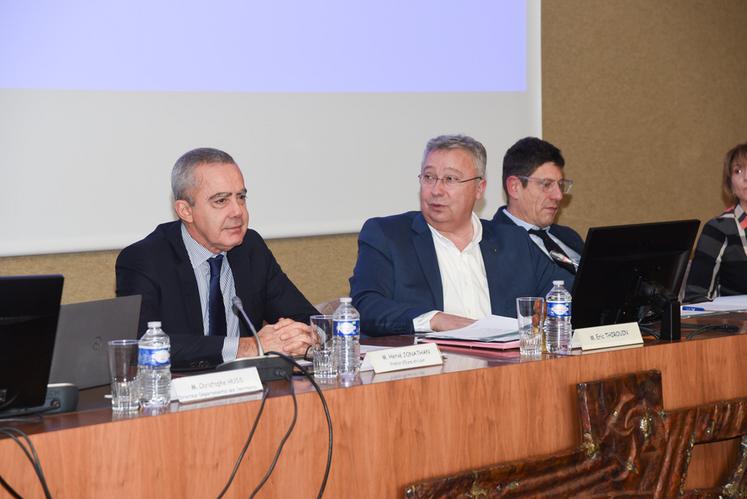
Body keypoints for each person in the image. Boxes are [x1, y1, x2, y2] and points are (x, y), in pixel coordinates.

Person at [116, 148, 318, 368]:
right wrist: (249, 346)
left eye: (241, 197)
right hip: (181, 392)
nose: (237, 212)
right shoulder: (144, 259)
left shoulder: (250, 248)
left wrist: (302, 335)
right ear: (185, 211)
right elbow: (142, 345)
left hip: (250, 390)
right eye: (221, 201)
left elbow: (305, 317)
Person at [350, 134, 568, 336]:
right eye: (429, 177)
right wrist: (435, 319)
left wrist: (546, 311)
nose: (436, 190)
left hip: (507, 369)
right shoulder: (388, 236)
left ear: (479, 188)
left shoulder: (513, 241)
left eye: (450, 179)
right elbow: (366, 305)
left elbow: (563, 292)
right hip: (432, 371)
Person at [493, 137, 583, 279]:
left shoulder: (569, 236)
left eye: (560, 185)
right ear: (514, 187)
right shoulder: (493, 243)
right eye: (547, 184)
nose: (559, 196)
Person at [684, 142, 747, 302]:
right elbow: (695, 297)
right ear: (730, 185)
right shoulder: (718, 229)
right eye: (738, 171)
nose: (746, 177)